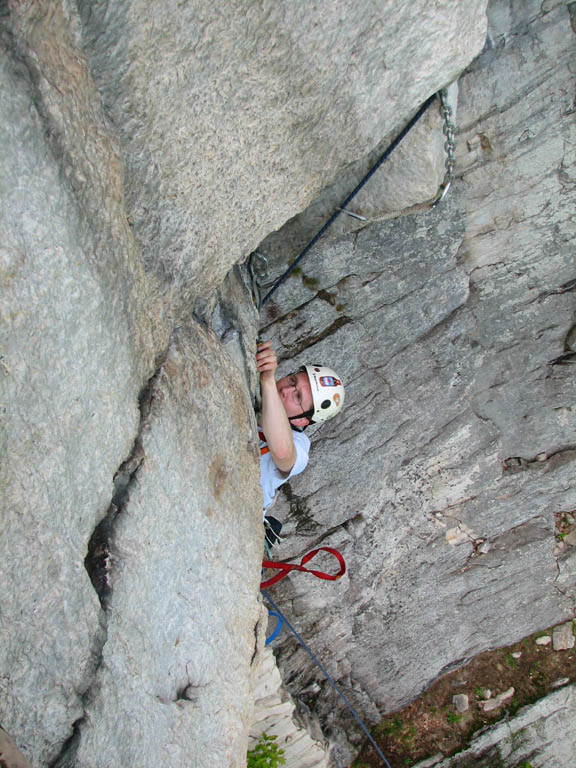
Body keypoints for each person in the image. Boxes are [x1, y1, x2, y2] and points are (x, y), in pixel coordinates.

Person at [256, 340, 344, 547]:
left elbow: (283, 453)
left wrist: (268, 381)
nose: (286, 389)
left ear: (303, 420)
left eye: (297, 397)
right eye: (293, 381)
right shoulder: (257, 393)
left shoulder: (299, 445)